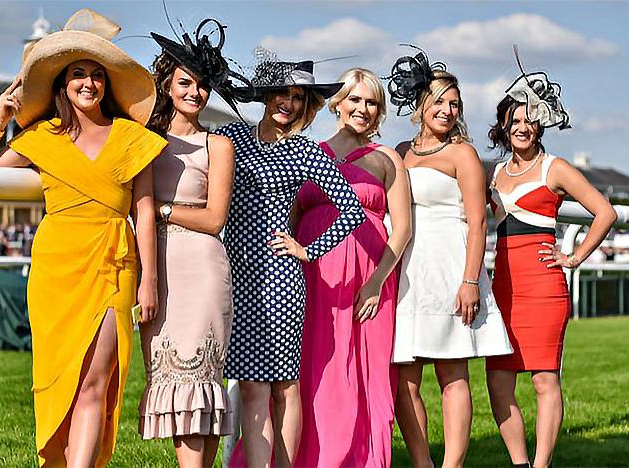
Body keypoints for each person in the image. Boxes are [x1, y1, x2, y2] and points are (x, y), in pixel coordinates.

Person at [0, 10, 166, 466]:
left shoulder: (131, 137)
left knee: (96, 380)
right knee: (63, 380)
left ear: (107, 85)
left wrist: (150, 281)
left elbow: (144, 209)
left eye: (97, 75)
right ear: (63, 84)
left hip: (113, 267)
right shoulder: (43, 137)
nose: (88, 83)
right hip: (56, 271)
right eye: (78, 73)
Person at [217, 53, 366, 467]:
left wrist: (307, 250)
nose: (289, 101)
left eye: (299, 97)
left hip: (281, 281)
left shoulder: (304, 151)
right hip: (237, 277)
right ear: (266, 94)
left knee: (284, 386)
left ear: (307, 105)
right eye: (283, 91)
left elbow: (351, 210)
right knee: (249, 387)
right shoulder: (231, 136)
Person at [485, 54, 617, 468]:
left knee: (544, 379)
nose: (523, 127)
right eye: (516, 120)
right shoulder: (494, 172)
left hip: (544, 285)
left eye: (531, 120)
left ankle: (541, 465)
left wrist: (574, 257)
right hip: (502, 285)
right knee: (497, 381)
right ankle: (519, 463)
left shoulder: (554, 168)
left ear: (541, 124)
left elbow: (605, 212)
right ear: (505, 124)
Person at [387, 48, 513, 468]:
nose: (447, 109)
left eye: (454, 103)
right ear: (421, 104)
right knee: (404, 377)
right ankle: (423, 462)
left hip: (451, 267)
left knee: (452, 373)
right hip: (408, 271)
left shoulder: (464, 154)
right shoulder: (400, 150)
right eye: (439, 100)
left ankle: (453, 464)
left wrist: (470, 280)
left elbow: (478, 222)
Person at [138, 19, 250, 468]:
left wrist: (162, 210)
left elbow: (213, 218)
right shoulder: (143, 141)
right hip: (156, 267)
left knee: (199, 387)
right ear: (167, 84)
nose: (195, 92)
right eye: (185, 82)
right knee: (172, 393)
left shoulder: (217, 145)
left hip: (202, 268)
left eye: (203, 86)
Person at [293, 67, 412, 467]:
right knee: (315, 370)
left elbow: (403, 229)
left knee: (366, 375)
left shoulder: (386, 159)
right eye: (355, 99)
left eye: (371, 102)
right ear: (338, 103)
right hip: (313, 278)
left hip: (367, 279)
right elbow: (289, 219)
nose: (362, 108)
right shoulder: (308, 153)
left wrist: (377, 282)